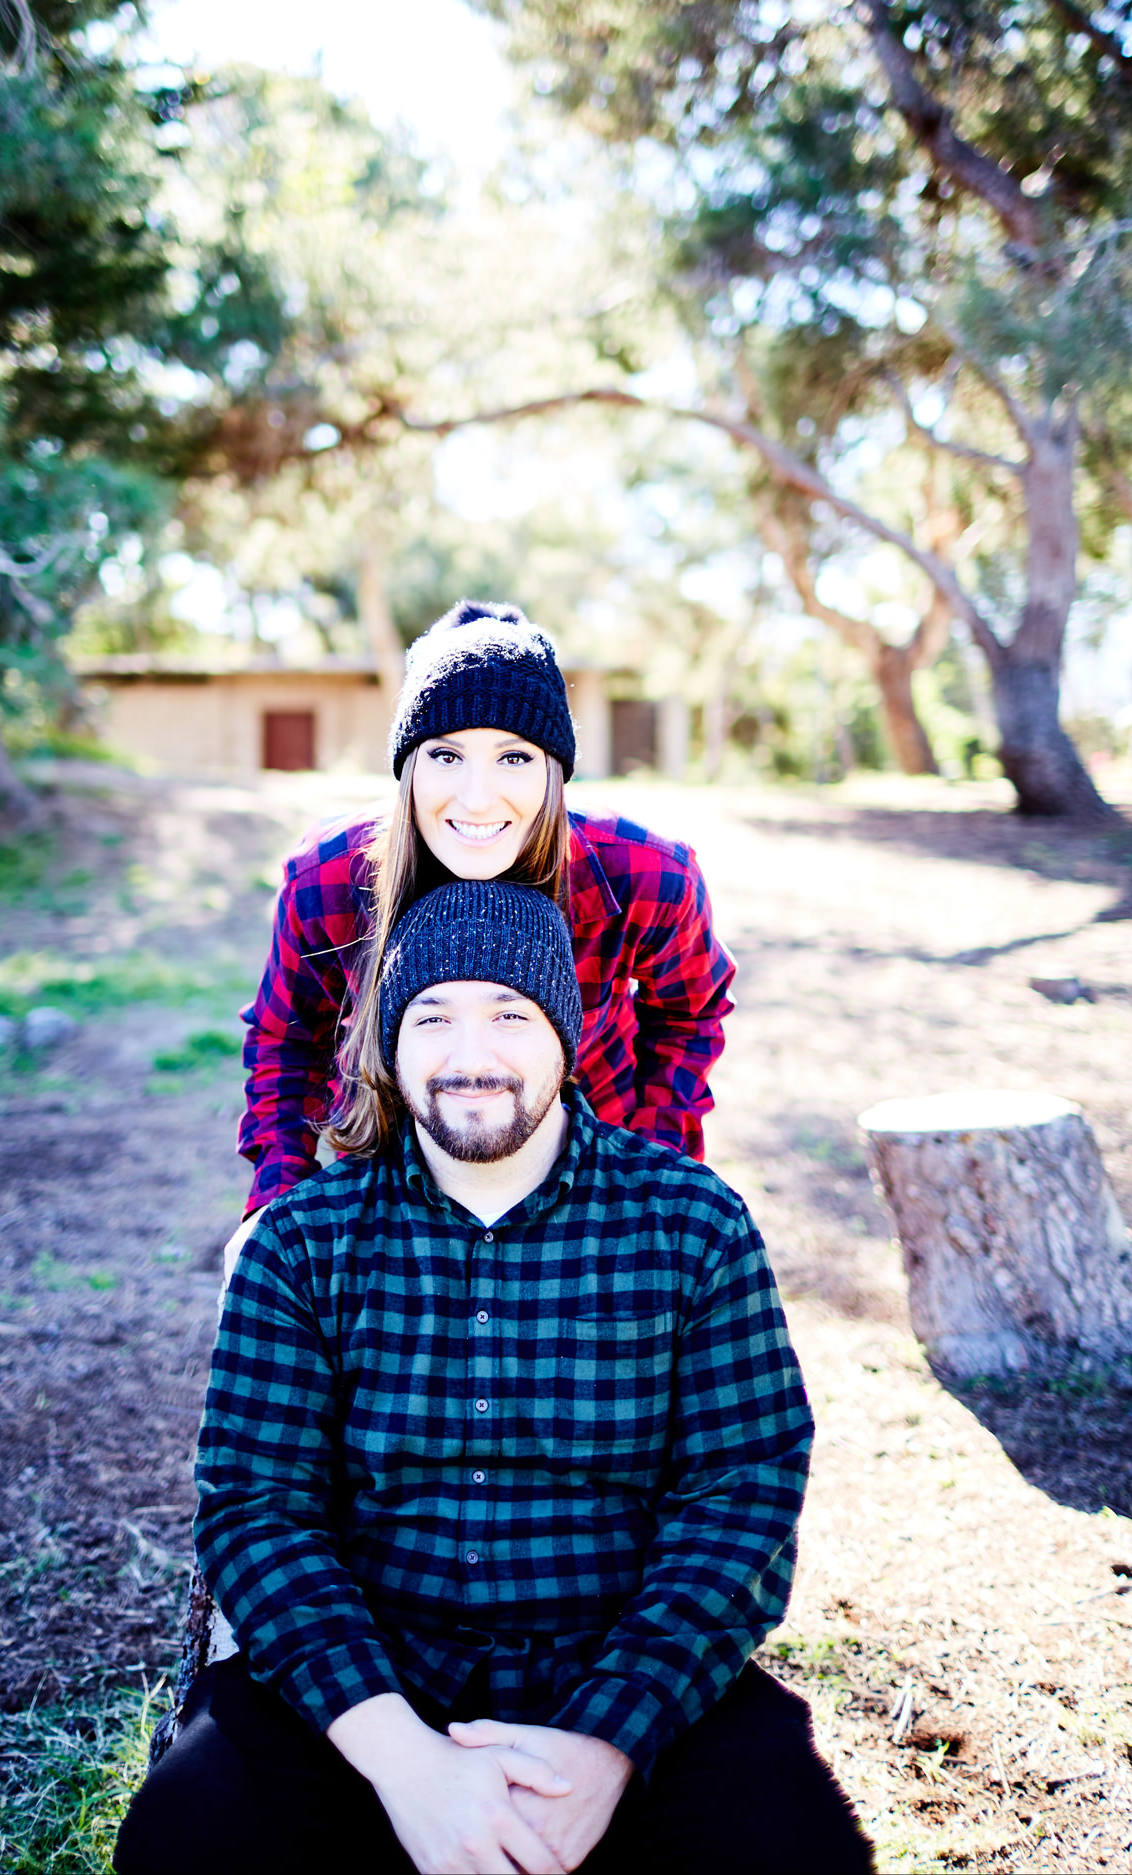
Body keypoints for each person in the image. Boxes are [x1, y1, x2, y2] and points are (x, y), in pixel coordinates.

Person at [116, 881, 874, 1875]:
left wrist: (604, 1747)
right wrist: (406, 1768)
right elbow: (254, 1513)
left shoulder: (691, 1225)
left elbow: (741, 1495)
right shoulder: (300, 1243)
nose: (470, 1057)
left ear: (564, 1032)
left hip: (619, 1676)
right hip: (366, 1687)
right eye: (431, 1018)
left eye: (509, 1015)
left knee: (790, 1853)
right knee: (191, 1842)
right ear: (388, 1046)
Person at [235, 598, 735, 1222]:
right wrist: (275, 1213)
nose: (476, 799)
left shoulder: (646, 877)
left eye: (514, 757)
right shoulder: (330, 879)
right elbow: (286, 1042)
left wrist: (651, 1176)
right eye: (446, 755)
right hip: (387, 1176)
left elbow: (689, 1016)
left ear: (555, 772)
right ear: (409, 768)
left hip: (587, 1181)